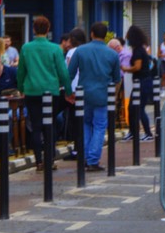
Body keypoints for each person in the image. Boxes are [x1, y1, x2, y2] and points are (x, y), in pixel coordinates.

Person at [17, 16, 71, 170]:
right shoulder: (55, 48)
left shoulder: (26, 48)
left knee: (36, 126)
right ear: (48, 30)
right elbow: (63, 72)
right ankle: (50, 159)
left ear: (34, 29)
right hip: (51, 91)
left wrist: (21, 88)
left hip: (32, 90)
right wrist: (68, 91)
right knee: (50, 123)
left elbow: (21, 71)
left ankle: (38, 161)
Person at [68, 22, 122, 172]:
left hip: (84, 95)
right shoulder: (112, 54)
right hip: (102, 96)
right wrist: (115, 98)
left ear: (91, 33)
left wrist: (68, 92)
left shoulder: (80, 50)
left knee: (85, 125)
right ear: (105, 36)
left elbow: (70, 74)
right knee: (99, 127)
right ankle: (93, 159)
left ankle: (84, 156)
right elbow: (117, 79)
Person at [120, 25, 155, 142]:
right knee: (131, 108)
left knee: (139, 108)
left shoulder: (139, 51)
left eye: (128, 37)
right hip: (139, 82)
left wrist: (126, 69)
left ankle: (148, 133)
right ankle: (133, 131)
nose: (127, 39)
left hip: (142, 82)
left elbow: (137, 67)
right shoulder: (138, 50)